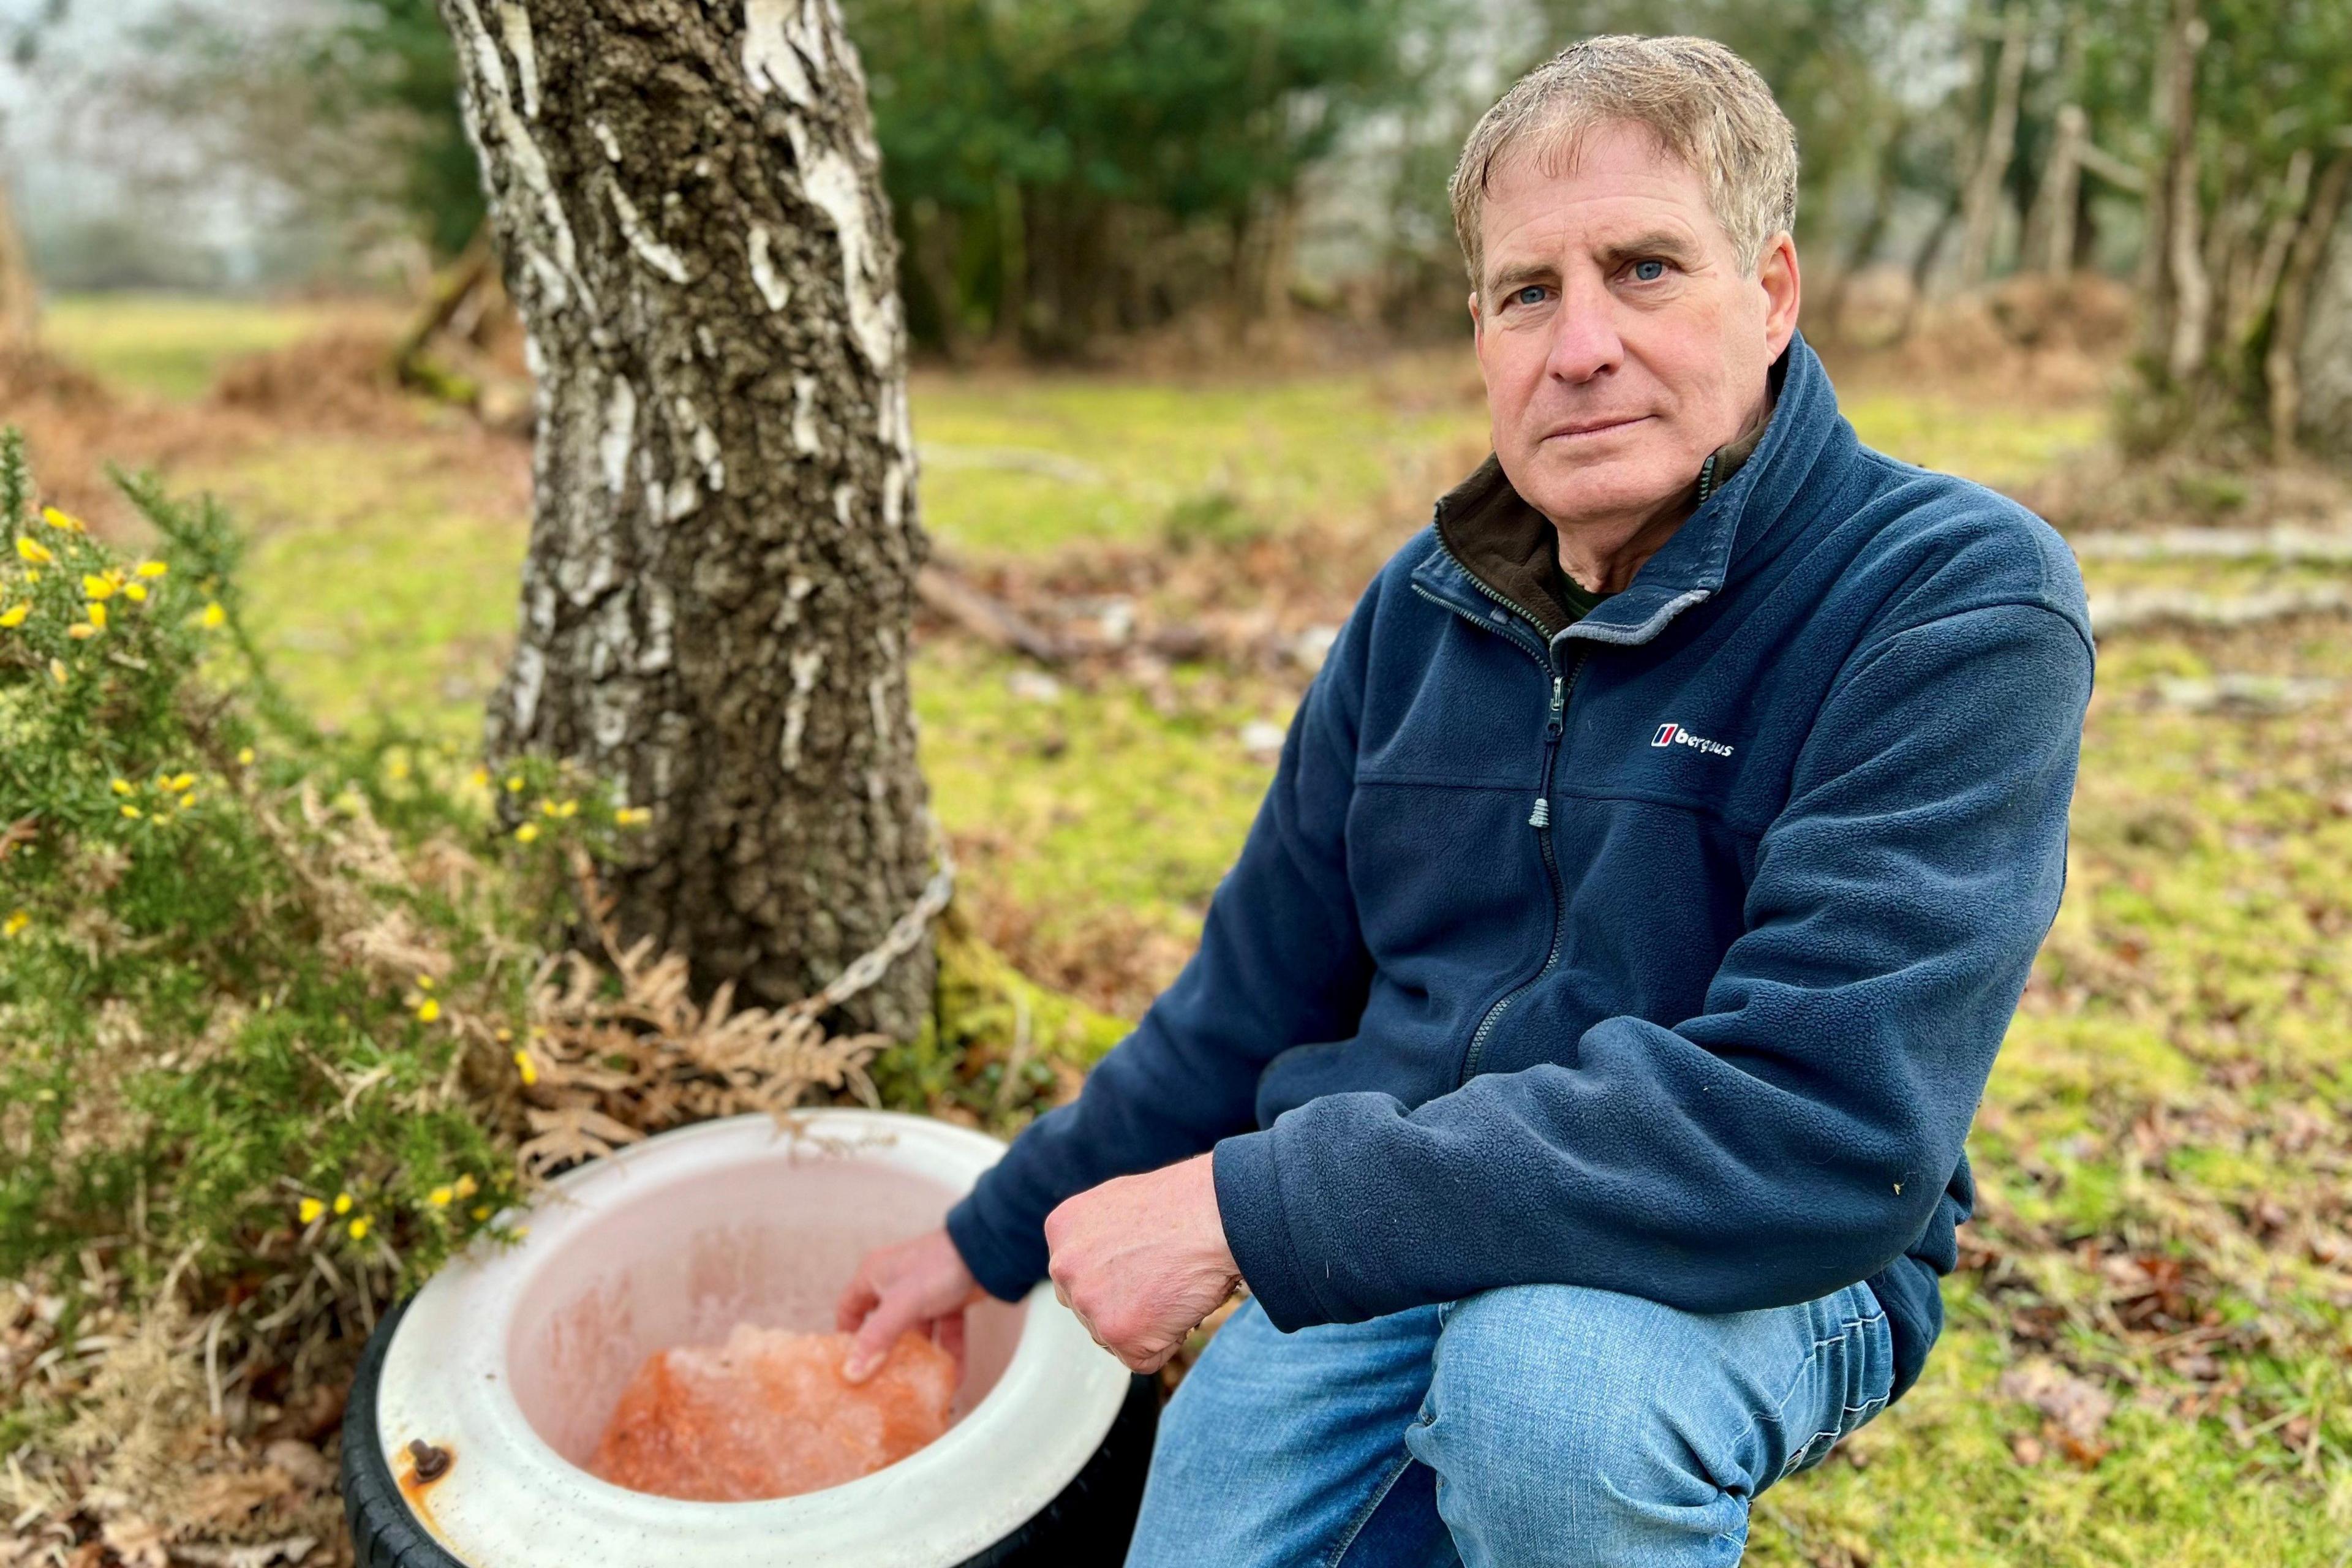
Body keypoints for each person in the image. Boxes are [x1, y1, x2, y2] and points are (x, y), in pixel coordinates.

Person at [837, 33, 2093, 1566]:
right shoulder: (1418, 615)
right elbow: (1247, 1004)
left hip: (1759, 1250)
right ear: (1481, 335)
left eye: (1643, 269)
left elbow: (1820, 1123)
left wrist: (1253, 1211)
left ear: (1769, 295)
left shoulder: (1949, 599)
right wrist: (983, 1242)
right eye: (1527, 292)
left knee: (1548, 1400)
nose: (1581, 347)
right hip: (1403, 1214)